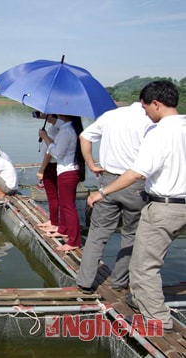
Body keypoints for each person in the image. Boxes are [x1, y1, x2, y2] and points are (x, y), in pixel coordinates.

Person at [87, 80, 186, 332]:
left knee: (143, 268)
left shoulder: (160, 132)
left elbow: (136, 173)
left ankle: (158, 322)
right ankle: (140, 300)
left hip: (164, 207)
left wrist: (103, 192)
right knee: (151, 258)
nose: (145, 114)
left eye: (145, 109)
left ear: (156, 104)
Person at [76, 103, 153, 294]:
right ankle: (119, 282)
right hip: (136, 182)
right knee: (131, 235)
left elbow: (84, 136)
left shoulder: (110, 115)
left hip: (108, 181)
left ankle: (85, 282)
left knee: (97, 234)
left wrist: (91, 164)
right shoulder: (150, 119)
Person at [39, 115, 85, 252]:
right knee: (65, 205)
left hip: (68, 172)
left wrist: (46, 137)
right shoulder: (68, 128)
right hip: (66, 170)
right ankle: (63, 229)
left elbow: (58, 154)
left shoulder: (67, 131)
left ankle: (74, 240)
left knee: (68, 207)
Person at [36, 114, 62, 233]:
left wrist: (41, 169)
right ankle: (53, 220)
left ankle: (55, 222)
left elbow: (50, 151)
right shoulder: (61, 127)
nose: (38, 113)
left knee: (52, 196)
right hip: (56, 165)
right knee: (55, 195)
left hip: (51, 165)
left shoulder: (54, 129)